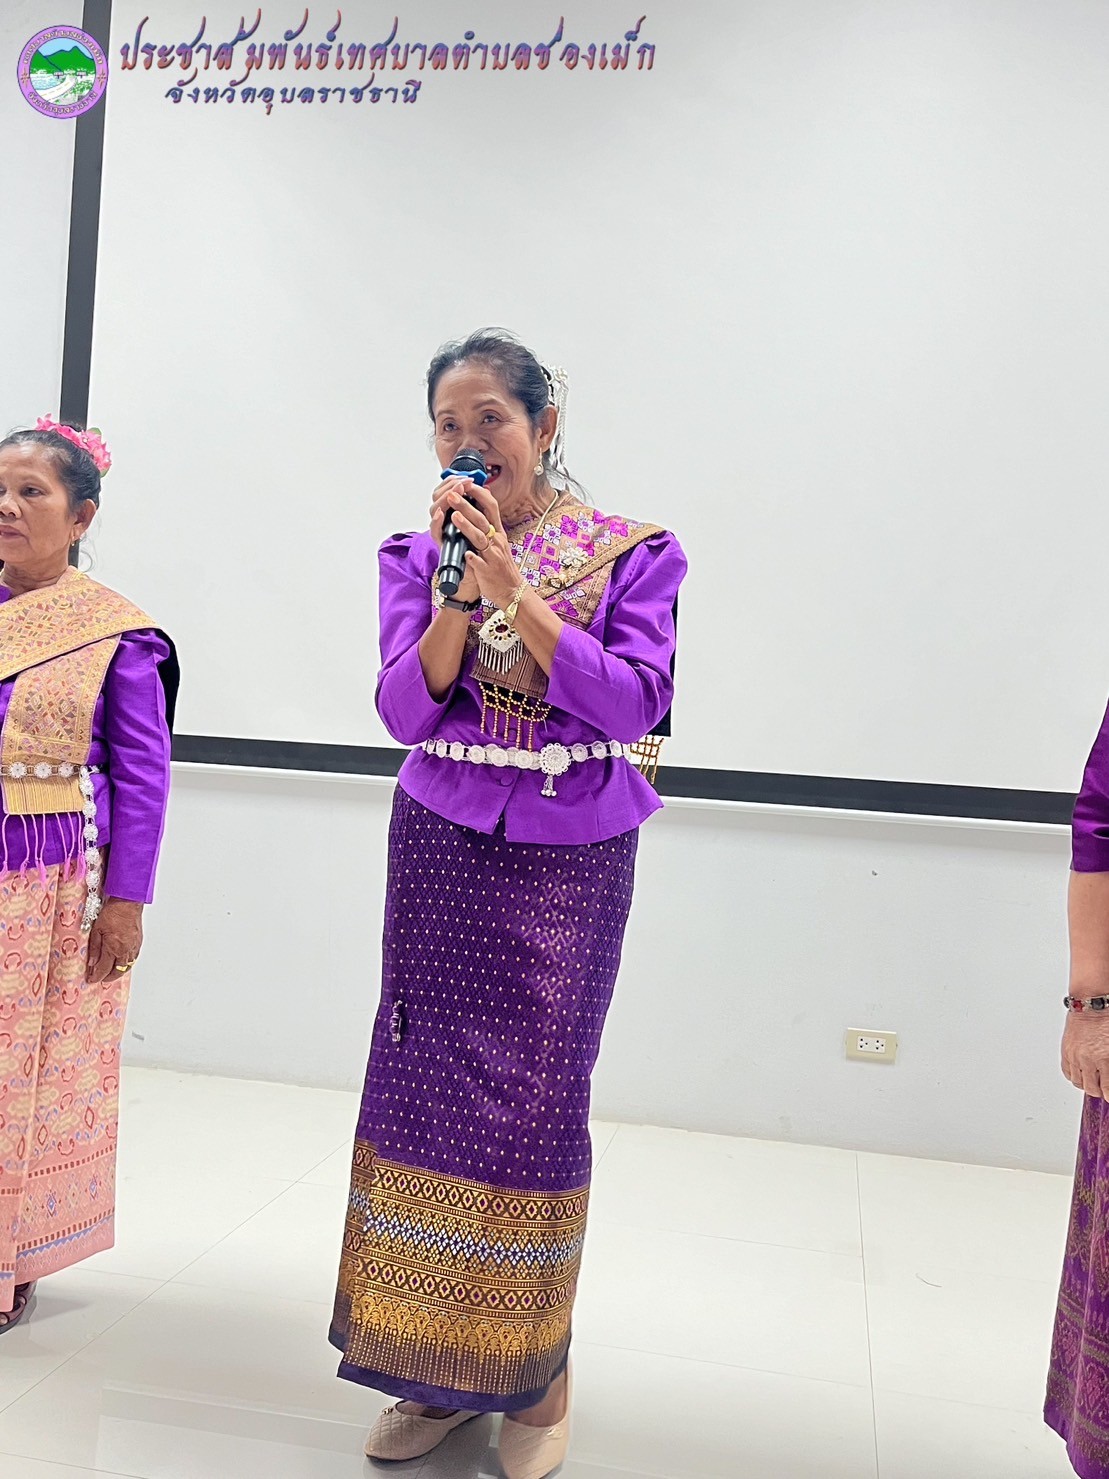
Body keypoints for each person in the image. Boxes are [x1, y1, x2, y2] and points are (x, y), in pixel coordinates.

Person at [329, 330, 686, 1478]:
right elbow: (404, 712)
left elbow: (631, 702)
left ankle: (535, 1381)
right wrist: (453, 593)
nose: (469, 442)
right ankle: (430, 1376)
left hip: (567, 858)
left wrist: (516, 595)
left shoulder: (633, 553)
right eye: (448, 424)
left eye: (490, 418)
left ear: (543, 427)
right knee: (424, 1095)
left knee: (530, 1109)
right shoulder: (411, 554)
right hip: (439, 844)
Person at [0, 417, 177, 1331]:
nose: (7, 506)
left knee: (16, 1073)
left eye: (31, 491)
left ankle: (9, 1256)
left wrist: (126, 903)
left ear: (81, 516)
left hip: (44, 888)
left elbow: (143, 775)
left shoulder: (116, 633)